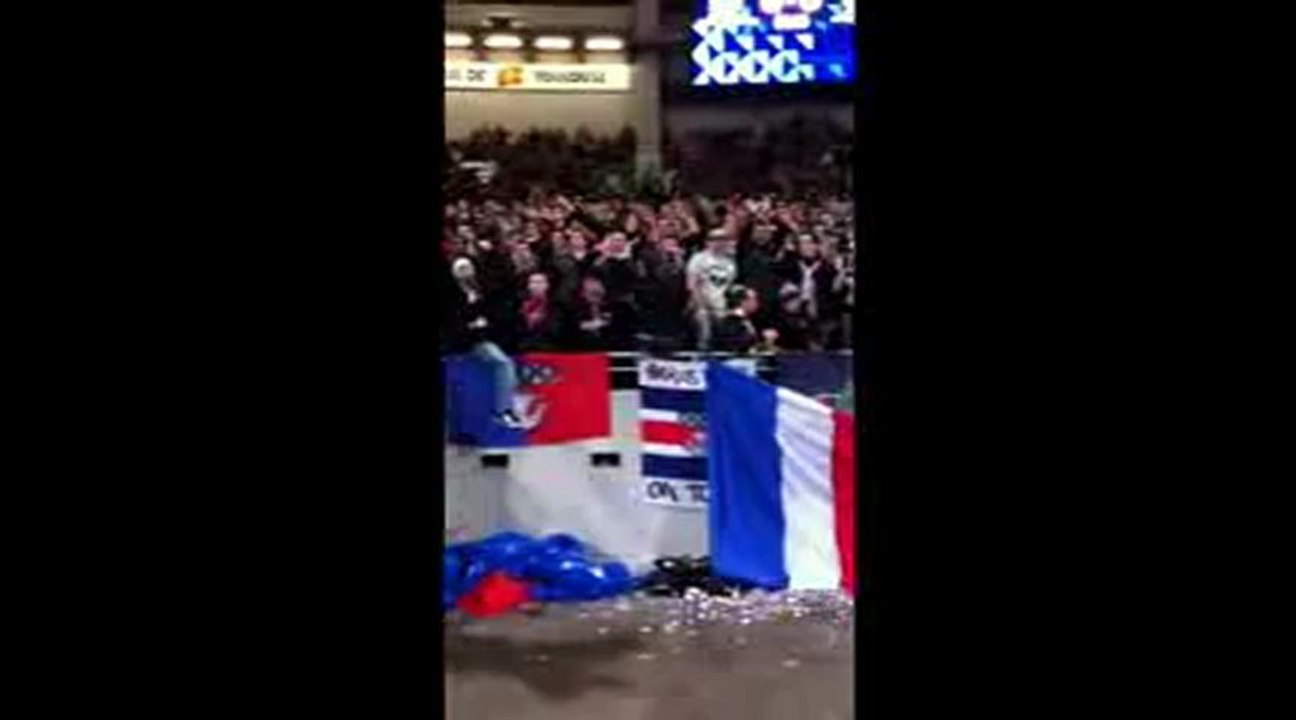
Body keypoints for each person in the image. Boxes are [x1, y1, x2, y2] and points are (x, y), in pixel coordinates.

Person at [446, 257, 525, 429]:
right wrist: (473, 323)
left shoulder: (480, 290)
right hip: (465, 342)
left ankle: (505, 408)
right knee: (503, 363)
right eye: (461, 269)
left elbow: (491, 315)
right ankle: (502, 411)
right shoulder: (451, 294)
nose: (465, 272)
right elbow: (452, 322)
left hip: (485, 337)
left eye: (468, 268)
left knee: (507, 362)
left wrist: (483, 320)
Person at [685, 227, 738, 350]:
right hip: (702, 305)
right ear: (708, 242)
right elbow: (692, 284)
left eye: (723, 239)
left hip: (722, 306)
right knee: (705, 334)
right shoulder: (699, 258)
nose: (720, 242)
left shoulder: (730, 262)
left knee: (725, 337)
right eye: (715, 239)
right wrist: (701, 305)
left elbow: (729, 285)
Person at [515, 271, 562, 351]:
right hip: (522, 349)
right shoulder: (518, 305)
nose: (536, 285)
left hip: (549, 349)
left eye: (540, 282)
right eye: (533, 282)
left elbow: (557, 330)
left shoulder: (557, 306)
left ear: (547, 285)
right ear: (528, 286)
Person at [712, 285, 761, 354]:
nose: (757, 303)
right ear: (743, 302)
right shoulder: (729, 322)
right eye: (754, 299)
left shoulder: (747, 319)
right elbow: (732, 347)